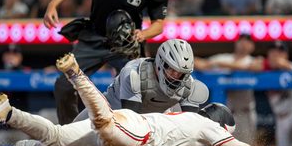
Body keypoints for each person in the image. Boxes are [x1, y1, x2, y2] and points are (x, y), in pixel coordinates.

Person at [0, 53, 272, 146]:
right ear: (218, 123)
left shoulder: (187, 121)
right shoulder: (205, 126)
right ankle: (76, 74)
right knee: (104, 122)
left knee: (54, 138)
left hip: (133, 128)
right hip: (137, 130)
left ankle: (8, 113)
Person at [43, 0, 168, 124]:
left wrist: (143, 34)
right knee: (63, 84)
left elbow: (159, 24)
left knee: (139, 89)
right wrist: (52, 4)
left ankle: (135, 134)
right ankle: (69, 133)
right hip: (94, 36)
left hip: (126, 45)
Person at [73, 38, 209, 122]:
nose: (175, 75)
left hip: (154, 121)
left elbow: (192, 125)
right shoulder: (135, 73)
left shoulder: (188, 84)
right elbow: (131, 122)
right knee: (68, 138)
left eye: (180, 73)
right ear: (161, 63)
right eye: (171, 69)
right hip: (110, 113)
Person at [195, 33, 257, 144]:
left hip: (245, 113)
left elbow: (258, 66)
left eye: (247, 41)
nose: (243, 43)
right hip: (227, 114)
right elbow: (197, 63)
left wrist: (222, 65)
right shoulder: (225, 58)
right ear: (236, 43)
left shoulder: (252, 60)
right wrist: (213, 64)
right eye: (241, 40)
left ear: (252, 45)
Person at [248, 40, 292, 146]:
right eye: (273, 52)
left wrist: (284, 64)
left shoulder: (291, 67)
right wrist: (260, 62)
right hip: (280, 119)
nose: (276, 55)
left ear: (286, 55)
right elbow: (252, 67)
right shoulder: (265, 68)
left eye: (280, 52)